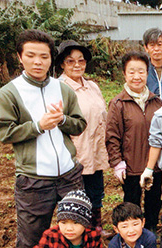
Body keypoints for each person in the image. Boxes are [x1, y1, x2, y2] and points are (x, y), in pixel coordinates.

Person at [0, 29, 87, 248]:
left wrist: (62, 120)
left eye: (44, 56)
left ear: (51, 59)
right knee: (32, 234)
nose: (38, 62)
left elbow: (79, 124)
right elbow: (4, 132)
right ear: (20, 57)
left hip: (69, 174)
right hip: (34, 178)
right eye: (31, 55)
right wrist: (38, 125)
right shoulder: (10, 92)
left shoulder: (63, 89)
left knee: (75, 228)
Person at [105, 51, 162, 232]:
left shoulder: (156, 102)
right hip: (130, 167)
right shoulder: (118, 103)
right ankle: (132, 235)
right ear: (124, 74)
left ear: (147, 73)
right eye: (131, 72)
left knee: (154, 201)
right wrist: (117, 162)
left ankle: (151, 232)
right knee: (131, 204)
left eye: (141, 71)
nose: (136, 76)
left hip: (153, 165)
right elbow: (112, 136)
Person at [55, 40, 110, 232]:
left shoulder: (92, 86)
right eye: (70, 61)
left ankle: (96, 226)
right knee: (78, 193)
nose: (77, 65)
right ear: (62, 64)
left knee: (96, 190)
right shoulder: (59, 88)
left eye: (81, 60)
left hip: (95, 148)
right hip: (75, 152)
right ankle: (79, 229)